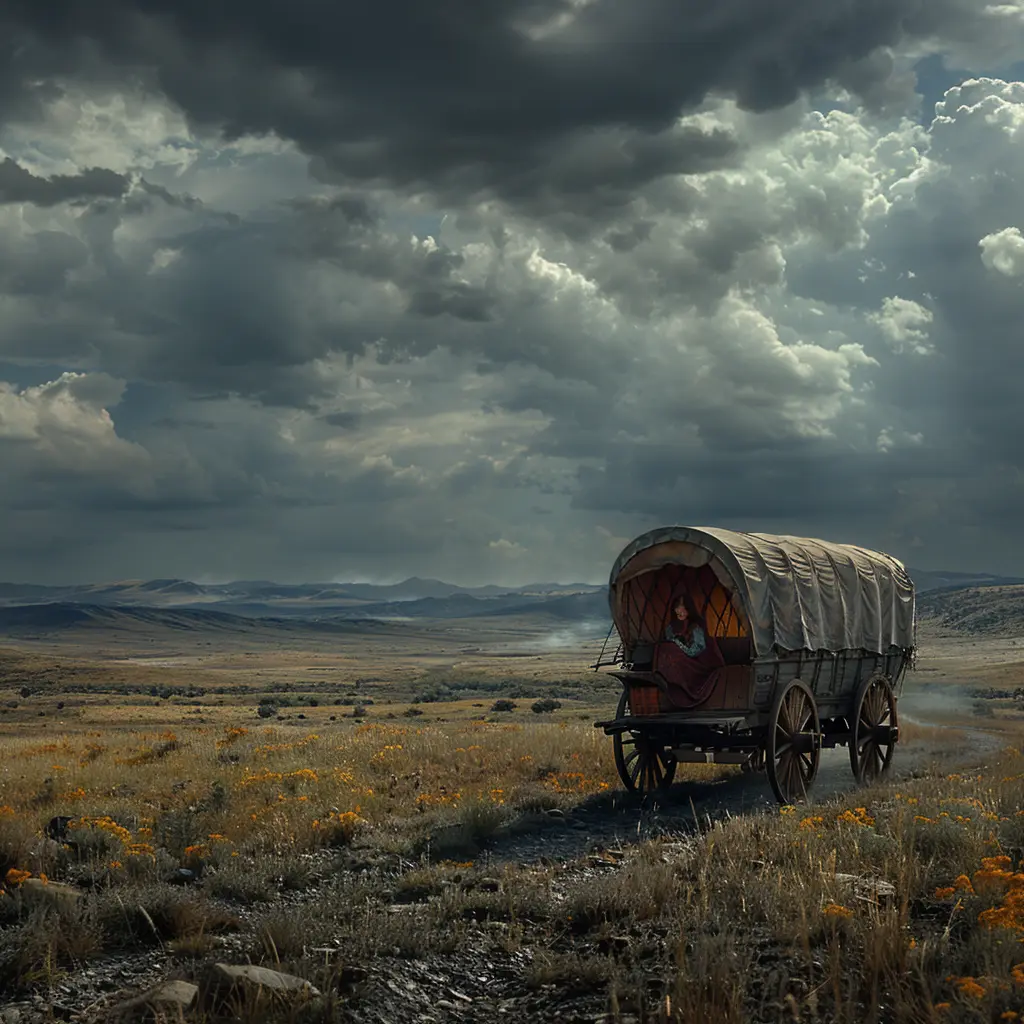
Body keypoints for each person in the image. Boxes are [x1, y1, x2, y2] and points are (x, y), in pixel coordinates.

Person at [656, 590, 725, 708]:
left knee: (672, 650)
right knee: (665, 649)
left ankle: (686, 688)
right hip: (677, 662)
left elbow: (697, 650)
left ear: (689, 609)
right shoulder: (671, 627)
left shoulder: (695, 626)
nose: (680, 611)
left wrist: (678, 645)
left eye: (683, 607)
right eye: (677, 607)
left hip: (695, 662)